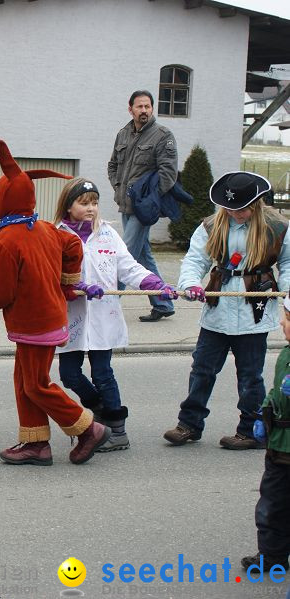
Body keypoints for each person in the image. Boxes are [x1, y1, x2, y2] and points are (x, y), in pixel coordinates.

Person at [0, 140, 110, 466]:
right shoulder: (44, 227)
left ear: (2, 201)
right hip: (50, 319)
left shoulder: (4, 241)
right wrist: (67, 282)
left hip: (32, 323)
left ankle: (87, 428)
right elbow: (72, 244)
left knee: (37, 385)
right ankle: (35, 442)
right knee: (24, 381)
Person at [165, 171, 290, 449]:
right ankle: (189, 424)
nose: (236, 214)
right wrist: (189, 283)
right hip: (217, 311)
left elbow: (289, 263)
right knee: (202, 370)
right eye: (230, 209)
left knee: (250, 375)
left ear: (256, 203)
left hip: (254, 312)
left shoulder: (278, 227)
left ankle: (250, 430)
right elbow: (195, 259)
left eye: (242, 209)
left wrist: (288, 291)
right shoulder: (210, 225)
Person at [53, 177, 178, 451]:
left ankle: (117, 430)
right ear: (68, 206)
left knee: (102, 373)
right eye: (83, 203)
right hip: (70, 316)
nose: (91, 208)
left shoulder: (108, 233)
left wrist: (156, 285)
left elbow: (129, 268)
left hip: (103, 316)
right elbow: (51, 275)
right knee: (70, 375)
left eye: (94, 203)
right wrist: (78, 286)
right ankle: (100, 408)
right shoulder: (56, 234)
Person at [107, 90, 178, 322]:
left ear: (152, 109)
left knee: (123, 254)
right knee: (144, 257)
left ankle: (108, 304)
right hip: (125, 206)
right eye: (140, 107)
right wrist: (118, 188)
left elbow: (168, 174)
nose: (144, 110)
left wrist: (150, 201)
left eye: (148, 106)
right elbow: (113, 166)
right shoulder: (123, 134)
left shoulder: (162, 135)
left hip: (143, 210)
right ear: (131, 109)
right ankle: (163, 302)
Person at [240, 295, 290, 577]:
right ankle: (272, 556)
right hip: (279, 447)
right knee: (272, 502)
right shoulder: (286, 353)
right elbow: (274, 390)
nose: (282, 322)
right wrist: (264, 411)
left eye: (288, 319)